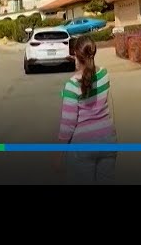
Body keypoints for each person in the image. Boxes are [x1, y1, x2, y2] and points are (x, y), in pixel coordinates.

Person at [56, 36, 117, 184]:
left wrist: (57, 155)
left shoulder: (72, 85)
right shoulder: (104, 74)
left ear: (76, 56)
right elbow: (110, 105)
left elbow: (68, 126)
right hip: (108, 141)